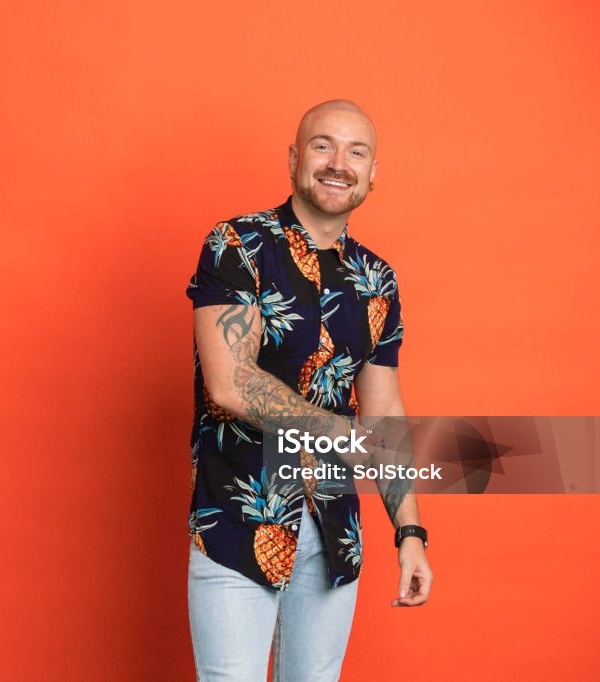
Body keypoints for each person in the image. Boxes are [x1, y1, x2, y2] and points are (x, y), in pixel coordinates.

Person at [185, 99, 433, 681]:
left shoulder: (377, 280)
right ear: (295, 159)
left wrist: (411, 532)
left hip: (332, 531)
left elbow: (385, 413)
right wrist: (338, 432)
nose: (338, 163)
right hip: (238, 525)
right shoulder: (237, 245)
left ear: (373, 173)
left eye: (356, 151)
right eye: (322, 145)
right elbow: (230, 381)